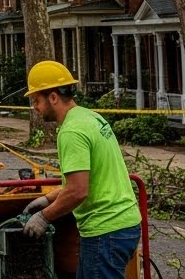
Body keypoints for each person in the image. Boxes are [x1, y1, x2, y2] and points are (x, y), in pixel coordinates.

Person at [21, 60, 140, 278]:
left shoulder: (71, 132)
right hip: (122, 225)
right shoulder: (90, 117)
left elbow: (78, 191)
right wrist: (48, 198)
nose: (35, 107)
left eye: (36, 100)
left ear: (53, 97)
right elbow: (89, 178)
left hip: (106, 231)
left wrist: (44, 217)